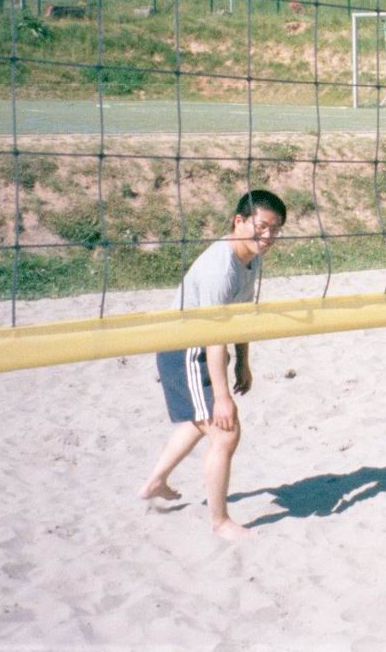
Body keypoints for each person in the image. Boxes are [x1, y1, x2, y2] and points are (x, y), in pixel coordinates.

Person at [139, 189, 287, 541]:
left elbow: (240, 318)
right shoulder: (219, 270)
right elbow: (213, 338)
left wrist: (244, 363)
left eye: (275, 230)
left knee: (198, 422)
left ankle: (155, 481)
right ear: (239, 221)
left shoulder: (252, 258)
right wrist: (223, 396)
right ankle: (220, 522)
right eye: (262, 226)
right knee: (224, 429)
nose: (268, 236)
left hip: (206, 344)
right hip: (185, 348)